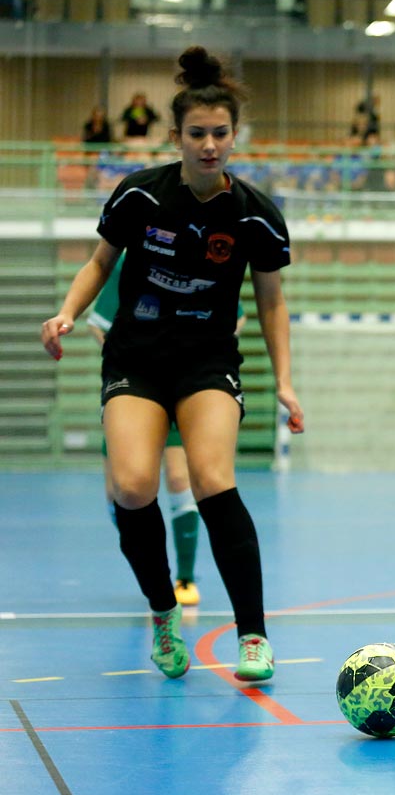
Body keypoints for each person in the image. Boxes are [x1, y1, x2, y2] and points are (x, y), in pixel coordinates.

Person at [41, 45, 303, 682]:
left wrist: (288, 385)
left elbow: (271, 304)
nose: (209, 145)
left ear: (233, 136)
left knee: (213, 479)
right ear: (176, 136)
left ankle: (253, 637)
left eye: (220, 133)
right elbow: (99, 263)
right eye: (197, 134)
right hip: (136, 358)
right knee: (133, 487)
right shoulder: (140, 196)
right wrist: (68, 313)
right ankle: (163, 612)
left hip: (208, 361)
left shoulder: (254, 216)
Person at [85, 250, 249, 607]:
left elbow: (238, 316)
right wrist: (128, 356)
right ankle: (154, 576)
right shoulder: (134, 257)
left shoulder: (202, 255)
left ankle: (185, 577)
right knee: (121, 491)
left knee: (180, 478)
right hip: (135, 387)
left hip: (183, 387)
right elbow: (97, 321)